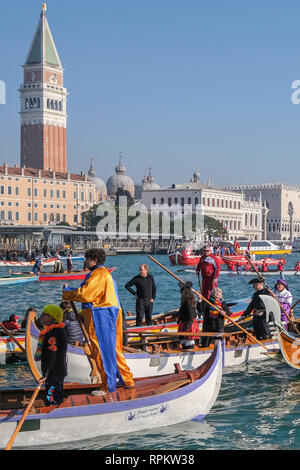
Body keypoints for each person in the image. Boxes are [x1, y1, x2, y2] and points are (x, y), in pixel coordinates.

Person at [62, 248, 134, 396]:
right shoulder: (105, 274)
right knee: (113, 349)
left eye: (87, 258)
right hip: (110, 312)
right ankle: (126, 379)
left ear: (94, 260)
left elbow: (85, 294)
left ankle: (107, 385)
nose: (85, 261)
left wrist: (67, 292)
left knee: (101, 349)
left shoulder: (98, 274)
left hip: (100, 314)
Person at [35, 304, 67, 406]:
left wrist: (46, 374)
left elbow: (51, 355)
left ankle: (55, 412)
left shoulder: (52, 333)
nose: (42, 316)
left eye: (45, 314)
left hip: (54, 372)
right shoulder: (57, 331)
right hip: (58, 371)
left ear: (51, 318)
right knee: (55, 394)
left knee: (52, 397)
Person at [177, 281, 200, 349]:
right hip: (186, 324)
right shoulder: (187, 302)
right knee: (186, 343)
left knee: (188, 343)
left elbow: (190, 318)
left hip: (188, 326)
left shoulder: (188, 304)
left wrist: (185, 330)